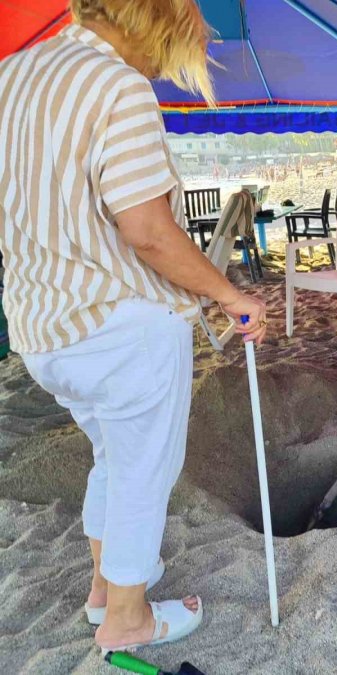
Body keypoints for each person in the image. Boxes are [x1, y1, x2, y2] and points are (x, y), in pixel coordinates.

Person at [0, 0, 267, 653]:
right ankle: (127, 618)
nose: (168, 64)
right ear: (157, 18)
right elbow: (146, 230)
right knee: (144, 466)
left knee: (115, 458)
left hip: (42, 326)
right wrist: (229, 293)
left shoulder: (13, 73)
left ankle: (103, 591)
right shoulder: (116, 83)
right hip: (121, 325)